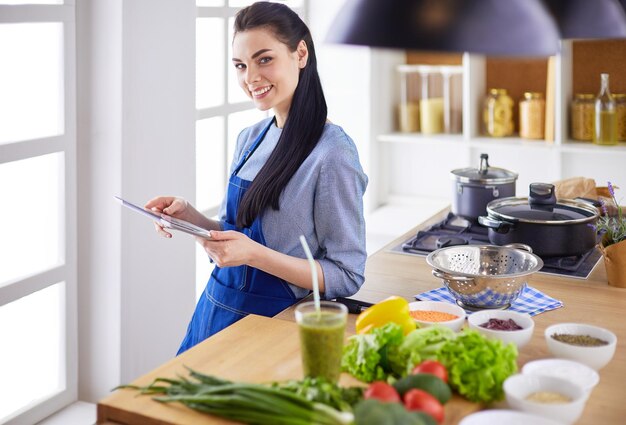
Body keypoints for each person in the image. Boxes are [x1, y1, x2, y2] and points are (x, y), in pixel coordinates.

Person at [145, 1, 368, 354]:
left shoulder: (333, 153)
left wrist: (254, 255)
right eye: (240, 65)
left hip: (273, 326)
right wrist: (192, 219)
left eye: (264, 59)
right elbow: (239, 237)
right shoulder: (249, 139)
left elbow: (347, 274)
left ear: (300, 54)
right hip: (214, 310)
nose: (251, 78)